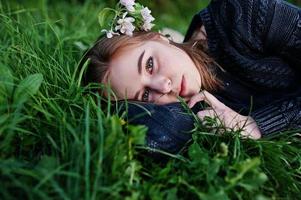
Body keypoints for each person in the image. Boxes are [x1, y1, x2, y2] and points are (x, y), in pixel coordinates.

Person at [79, 0, 301, 156]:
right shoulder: (191, 109)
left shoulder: (241, 15)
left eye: (149, 65)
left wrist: (258, 124)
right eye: (145, 95)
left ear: (157, 37)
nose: (164, 86)